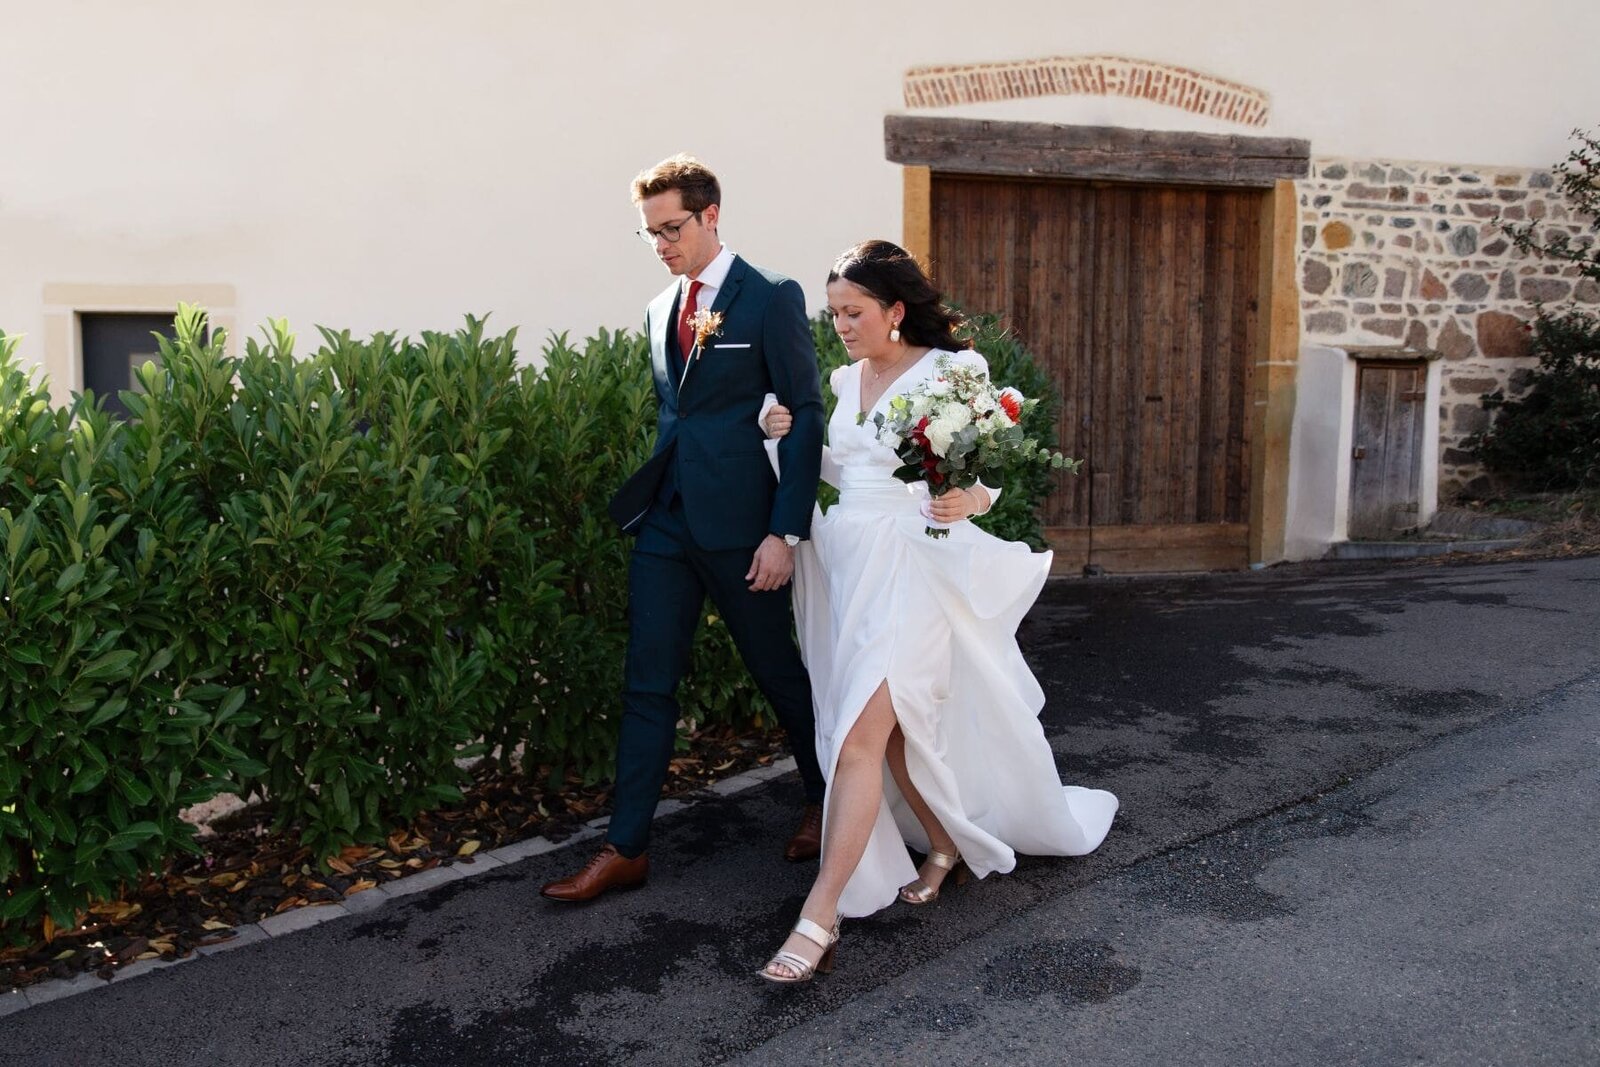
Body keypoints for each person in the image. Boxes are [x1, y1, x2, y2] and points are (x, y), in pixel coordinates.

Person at [755, 240, 1118, 981]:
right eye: (833, 314)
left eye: (853, 312)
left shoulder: (958, 372)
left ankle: (818, 916)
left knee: (860, 734)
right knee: (888, 736)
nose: (841, 326)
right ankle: (946, 841)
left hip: (917, 564)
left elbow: (983, 481)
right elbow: (839, 467)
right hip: (849, 565)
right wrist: (782, 437)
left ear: (895, 309)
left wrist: (966, 498)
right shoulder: (840, 377)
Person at [541, 155, 828, 903]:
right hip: (666, 521)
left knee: (778, 674)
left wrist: (784, 532)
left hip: (743, 530)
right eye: (650, 234)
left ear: (710, 215)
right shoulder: (656, 308)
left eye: (672, 228)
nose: (662, 244)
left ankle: (829, 798)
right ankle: (625, 846)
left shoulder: (769, 298)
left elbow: (806, 413)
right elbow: (683, 416)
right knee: (647, 684)